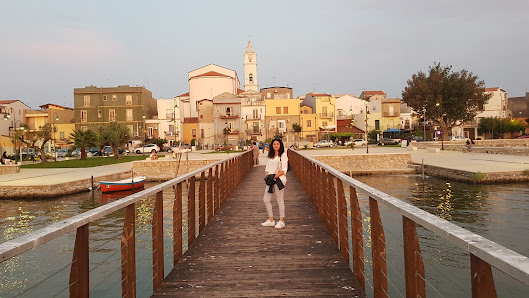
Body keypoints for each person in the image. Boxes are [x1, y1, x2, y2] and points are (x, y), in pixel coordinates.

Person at [261, 139, 288, 229]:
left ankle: (281, 220)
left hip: (279, 179)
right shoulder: (270, 156)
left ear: (280, 145)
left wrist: (275, 177)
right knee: (266, 199)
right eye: (274, 144)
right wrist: (268, 177)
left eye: (278, 144)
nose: (276, 145)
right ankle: (271, 220)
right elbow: (267, 168)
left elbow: (284, 169)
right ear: (272, 145)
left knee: (280, 200)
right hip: (270, 180)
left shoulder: (283, 155)